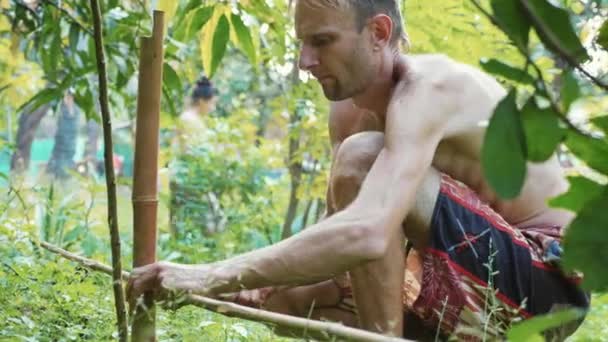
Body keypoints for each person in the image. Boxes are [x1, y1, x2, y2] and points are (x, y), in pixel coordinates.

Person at [128, 1, 589, 339]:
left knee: (361, 158)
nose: (306, 62)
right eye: (303, 44)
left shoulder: (429, 89)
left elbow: (367, 232)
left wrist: (211, 273)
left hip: (545, 289)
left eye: (322, 41)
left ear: (379, 31)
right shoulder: (347, 112)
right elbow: (346, 240)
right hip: (466, 280)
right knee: (290, 302)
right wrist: (260, 289)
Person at [169, 75, 225, 237]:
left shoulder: (196, 120)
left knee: (199, 221)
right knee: (192, 221)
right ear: (202, 101)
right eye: (212, 103)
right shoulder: (188, 119)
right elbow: (190, 150)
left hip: (195, 177)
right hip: (187, 177)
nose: (213, 108)